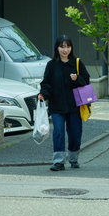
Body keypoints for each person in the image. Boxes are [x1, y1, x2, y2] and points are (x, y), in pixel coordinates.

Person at [39, 35, 90, 171]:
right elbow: (46, 83)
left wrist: (77, 78)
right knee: (58, 132)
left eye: (68, 46)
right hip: (57, 106)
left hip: (75, 106)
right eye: (62, 46)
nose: (65, 49)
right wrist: (43, 94)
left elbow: (86, 81)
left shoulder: (77, 63)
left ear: (71, 48)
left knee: (75, 133)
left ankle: (73, 158)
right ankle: (59, 161)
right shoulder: (51, 65)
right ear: (57, 48)